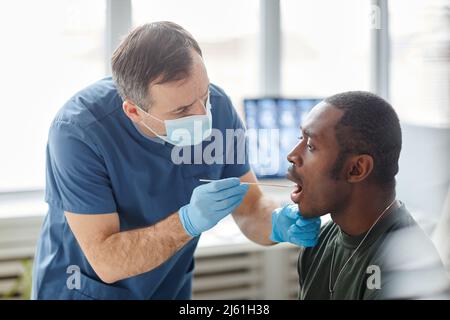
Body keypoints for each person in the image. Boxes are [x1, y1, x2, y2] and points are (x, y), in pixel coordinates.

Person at [31, 21, 320, 300]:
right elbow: (106, 261)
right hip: (84, 290)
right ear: (134, 111)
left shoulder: (218, 109)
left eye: (203, 95)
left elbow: (250, 207)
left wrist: (277, 223)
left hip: (167, 286)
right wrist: (187, 222)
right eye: (182, 111)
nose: (202, 115)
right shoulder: (79, 132)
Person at [287, 91, 450, 299]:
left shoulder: (408, 274)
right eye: (300, 138)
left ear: (356, 169)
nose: (292, 155)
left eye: (310, 146)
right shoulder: (318, 243)